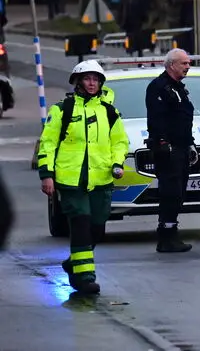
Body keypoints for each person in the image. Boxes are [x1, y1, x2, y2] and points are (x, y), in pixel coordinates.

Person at [37, 60, 129, 294]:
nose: (92, 83)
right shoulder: (62, 110)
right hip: (71, 181)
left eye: (96, 79)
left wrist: (117, 163)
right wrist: (47, 175)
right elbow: (48, 143)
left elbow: (120, 142)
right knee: (80, 225)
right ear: (78, 82)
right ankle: (84, 277)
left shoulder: (109, 112)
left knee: (96, 228)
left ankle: (73, 263)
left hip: (101, 179)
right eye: (87, 79)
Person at [145, 48, 197, 253]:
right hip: (168, 150)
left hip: (181, 148)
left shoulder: (179, 88)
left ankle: (171, 232)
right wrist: (163, 143)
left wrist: (190, 143)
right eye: (184, 63)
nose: (188, 67)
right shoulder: (158, 87)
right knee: (170, 193)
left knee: (179, 193)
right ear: (171, 65)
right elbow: (157, 120)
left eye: (188, 63)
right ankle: (166, 237)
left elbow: (184, 119)